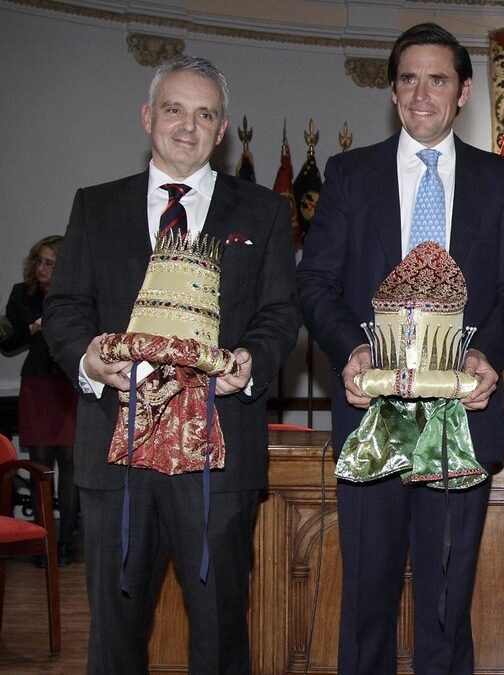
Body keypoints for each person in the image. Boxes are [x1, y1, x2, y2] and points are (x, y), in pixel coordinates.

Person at [43, 55, 300, 673]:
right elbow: (65, 309)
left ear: (223, 129)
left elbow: (279, 315)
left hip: (219, 457)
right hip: (114, 454)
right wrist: (89, 358)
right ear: (147, 117)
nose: (188, 126)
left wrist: (251, 361)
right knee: (114, 638)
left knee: (219, 634)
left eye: (204, 113)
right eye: (174, 109)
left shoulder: (263, 213)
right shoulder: (94, 206)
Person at [296, 23, 504, 674]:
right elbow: (314, 282)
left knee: (448, 606)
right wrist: (351, 348)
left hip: (462, 413)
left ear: (464, 92)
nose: (421, 93)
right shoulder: (347, 174)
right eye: (407, 79)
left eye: (438, 79)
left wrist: (492, 355)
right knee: (366, 603)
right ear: (392, 91)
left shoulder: (499, 181)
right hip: (373, 416)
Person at [2, 235, 79, 565]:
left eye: (49, 263)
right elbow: (7, 343)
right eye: (39, 261)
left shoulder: (76, 294)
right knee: (40, 467)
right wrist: (33, 329)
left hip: (70, 385)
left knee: (72, 467)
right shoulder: (22, 294)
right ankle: (42, 542)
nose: (41, 268)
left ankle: (65, 545)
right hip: (37, 386)